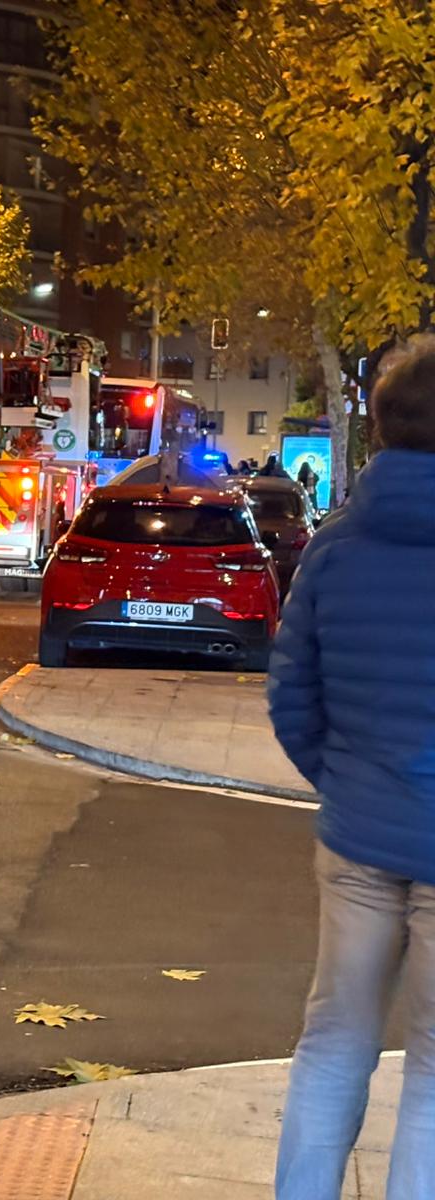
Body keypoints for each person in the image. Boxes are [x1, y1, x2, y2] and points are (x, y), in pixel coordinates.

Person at [269, 335, 435, 1200]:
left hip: (359, 840)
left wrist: (346, 783)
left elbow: (292, 699)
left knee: (333, 1042)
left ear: (377, 428)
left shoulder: (335, 548)